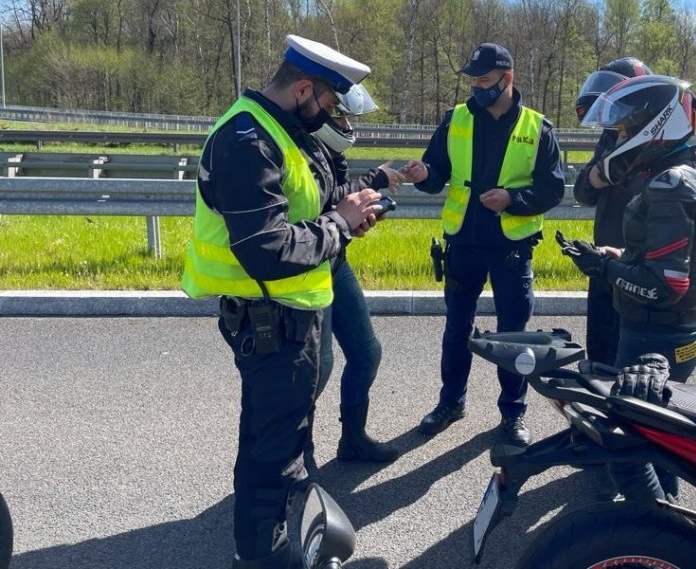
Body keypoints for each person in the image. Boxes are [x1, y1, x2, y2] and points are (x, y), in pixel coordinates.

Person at [181, 34, 384, 568]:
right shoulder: (247, 140)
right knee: (273, 456)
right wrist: (339, 225)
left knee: (273, 446)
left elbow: (308, 208)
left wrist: (350, 212)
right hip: (269, 318)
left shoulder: (284, 130)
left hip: (290, 314)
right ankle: (260, 557)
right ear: (302, 90)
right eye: (331, 103)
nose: (333, 116)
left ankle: (257, 547)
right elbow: (268, 250)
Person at [559, 73, 696, 500]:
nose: (618, 137)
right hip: (669, 329)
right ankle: (661, 531)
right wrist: (617, 258)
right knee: (658, 443)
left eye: (623, 129)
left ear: (651, 125)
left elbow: (666, 285)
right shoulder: (683, 170)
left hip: (656, 333)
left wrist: (604, 271)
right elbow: (668, 264)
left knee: (633, 453)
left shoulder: (670, 184)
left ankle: (659, 535)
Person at [402, 42, 565, 447]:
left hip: (511, 247)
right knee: (457, 329)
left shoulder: (537, 127)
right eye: (473, 80)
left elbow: (552, 189)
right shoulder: (455, 119)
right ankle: (450, 402)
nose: (476, 87)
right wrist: (423, 174)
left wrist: (513, 200)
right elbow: (436, 173)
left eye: (485, 80)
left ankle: (513, 413)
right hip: (463, 243)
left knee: (513, 336)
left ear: (506, 79)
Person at [310, 87, 404, 464]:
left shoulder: (330, 151)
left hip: (335, 262)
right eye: (340, 115)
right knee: (319, 368)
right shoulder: (300, 147)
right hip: (308, 269)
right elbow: (325, 200)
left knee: (366, 352)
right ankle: (297, 453)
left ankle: (352, 440)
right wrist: (375, 180)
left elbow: (337, 202)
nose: (346, 126)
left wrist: (357, 220)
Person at [573, 57, 652, 366]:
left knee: (633, 364)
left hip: (642, 270)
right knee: (601, 356)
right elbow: (583, 191)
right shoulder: (610, 136)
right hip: (604, 263)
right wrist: (601, 173)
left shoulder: (662, 142)